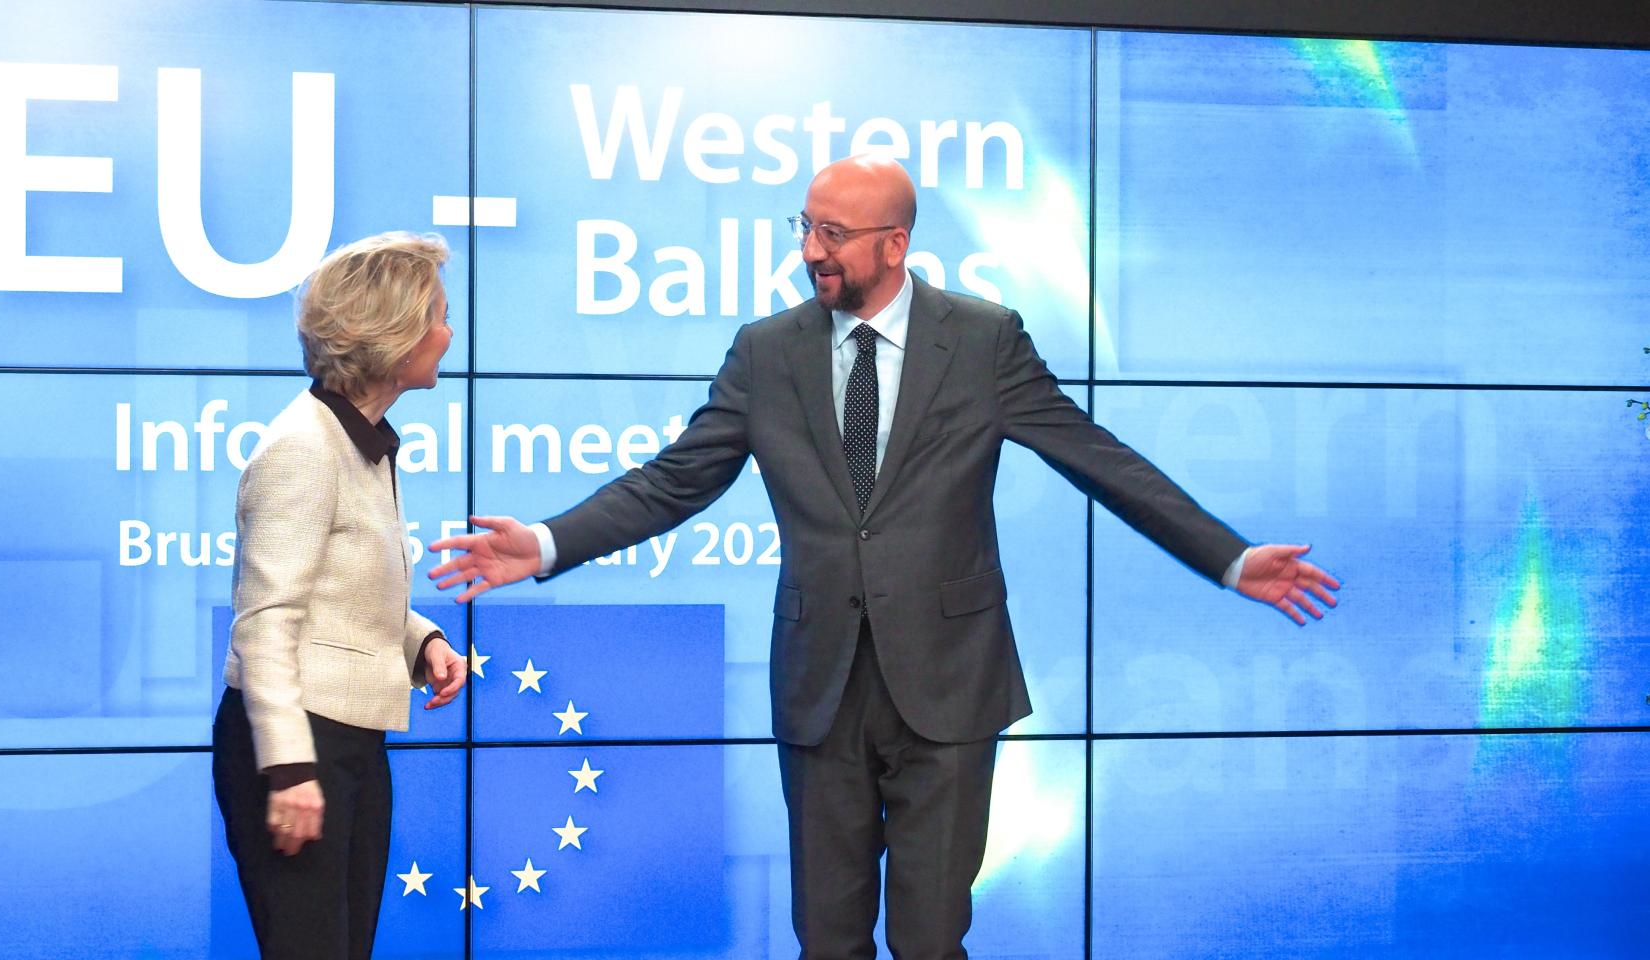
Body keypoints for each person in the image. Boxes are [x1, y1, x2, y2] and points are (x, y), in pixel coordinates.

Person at [429, 156, 1340, 959]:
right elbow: (675, 480)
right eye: (805, 228)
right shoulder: (766, 352)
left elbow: (1096, 458)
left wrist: (1227, 558)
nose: (810, 250)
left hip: (949, 686)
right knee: (827, 941)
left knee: (929, 940)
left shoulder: (982, 340)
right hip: (821, 691)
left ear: (894, 243)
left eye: (832, 233)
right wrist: (547, 543)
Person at [212, 231, 469, 960]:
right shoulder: (303, 446)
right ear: (393, 333)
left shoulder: (359, 440)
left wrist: (422, 641)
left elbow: (342, 590)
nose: (450, 334)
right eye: (440, 316)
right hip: (294, 745)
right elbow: (265, 624)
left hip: (350, 739)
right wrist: (289, 769)